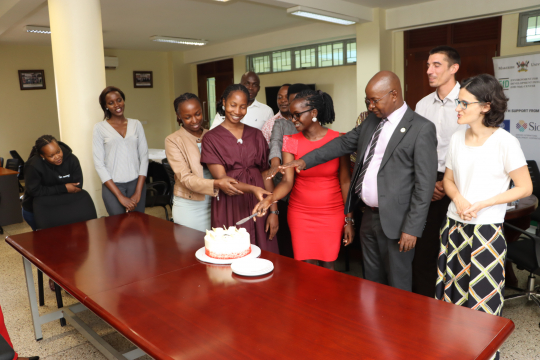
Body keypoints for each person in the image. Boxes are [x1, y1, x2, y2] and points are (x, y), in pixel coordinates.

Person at [277, 71, 438, 291]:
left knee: (398, 284)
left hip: (398, 222)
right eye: (367, 101)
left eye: (375, 101)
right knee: (371, 281)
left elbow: (424, 184)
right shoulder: (372, 121)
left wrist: (412, 228)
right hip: (369, 217)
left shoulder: (421, 128)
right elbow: (341, 144)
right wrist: (303, 161)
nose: (370, 106)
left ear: (394, 94)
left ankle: (396, 325)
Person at [436, 74, 532, 360]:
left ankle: (484, 354)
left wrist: (485, 202)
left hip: (486, 230)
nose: (458, 107)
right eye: (458, 101)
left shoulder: (505, 142)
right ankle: (453, 351)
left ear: (486, 107)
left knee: (482, 299)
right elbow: (449, 181)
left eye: (464, 102)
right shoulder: (456, 138)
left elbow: (524, 186)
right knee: (451, 296)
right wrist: (460, 199)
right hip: (454, 226)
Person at [253, 90, 354, 270]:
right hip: (300, 214)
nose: (293, 120)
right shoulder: (290, 140)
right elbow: (287, 181)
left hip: (332, 214)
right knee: (305, 269)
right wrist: (270, 199)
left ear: (313, 113)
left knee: (329, 267)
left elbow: (346, 181)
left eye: (298, 115)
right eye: (292, 116)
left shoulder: (338, 139)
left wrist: (349, 219)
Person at [413, 46, 466, 297]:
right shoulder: (422, 105)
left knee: (456, 245)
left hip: (460, 180)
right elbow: (414, 148)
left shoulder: (468, 102)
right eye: (428, 65)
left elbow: (471, 145)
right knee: (425, 246)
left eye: (436, 65)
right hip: (426, 179)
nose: (429, 71)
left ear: (453, 68)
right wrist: (426, 183)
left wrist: (447, 181)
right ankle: (424, 302)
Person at [201, 84, 279, 254]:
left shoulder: (256, 135)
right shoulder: (211, 138)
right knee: (232, 253)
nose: (237, 111)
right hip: (231, 202)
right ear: (223, 103)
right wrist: (253, 189)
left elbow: (266, 174)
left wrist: (274, 210)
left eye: (243, 106)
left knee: (264, 253)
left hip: (260, 202)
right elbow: (223, 181)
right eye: (233, 105)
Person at [165, 93, 241, 232]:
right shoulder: (173, 140)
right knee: (189, 248)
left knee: (214, 247)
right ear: (179, 117)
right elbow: (186, 178)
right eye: (187, 117)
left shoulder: (212, 135)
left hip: (216, 201)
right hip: (190, 205)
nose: (194, 120)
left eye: (198, 114)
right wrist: (217, 184)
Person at [21, 135, 83, 291]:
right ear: (42, 156)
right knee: (51, 247)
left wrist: (52, 191)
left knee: (69, 246)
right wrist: (63, 188)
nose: (57, 157)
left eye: (58, 151)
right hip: (36, 211)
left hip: (64, 209)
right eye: (51, 155)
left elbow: (77, 184)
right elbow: (35, 191)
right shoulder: (33, 165)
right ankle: (53, 275)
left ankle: (69, 277)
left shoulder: (71, 159)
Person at [266, 83, 311, 258]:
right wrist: (276, 164)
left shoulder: (320, 131)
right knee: (290, 246)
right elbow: (275, 143)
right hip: (287, 191)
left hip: (312, 194)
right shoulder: (282, 126)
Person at [93, 86, 149, 215]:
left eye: (119, 100)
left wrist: (138, 191)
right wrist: (120, 196)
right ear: (106, 106)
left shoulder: (136, 124)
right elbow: (99, 164)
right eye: (111, 103)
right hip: (113, 186)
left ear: (123, 101)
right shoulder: (99, 128)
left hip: (137, 183)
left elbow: (144, 157)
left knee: (139, 225)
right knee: (118, 228)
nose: (117, 105)